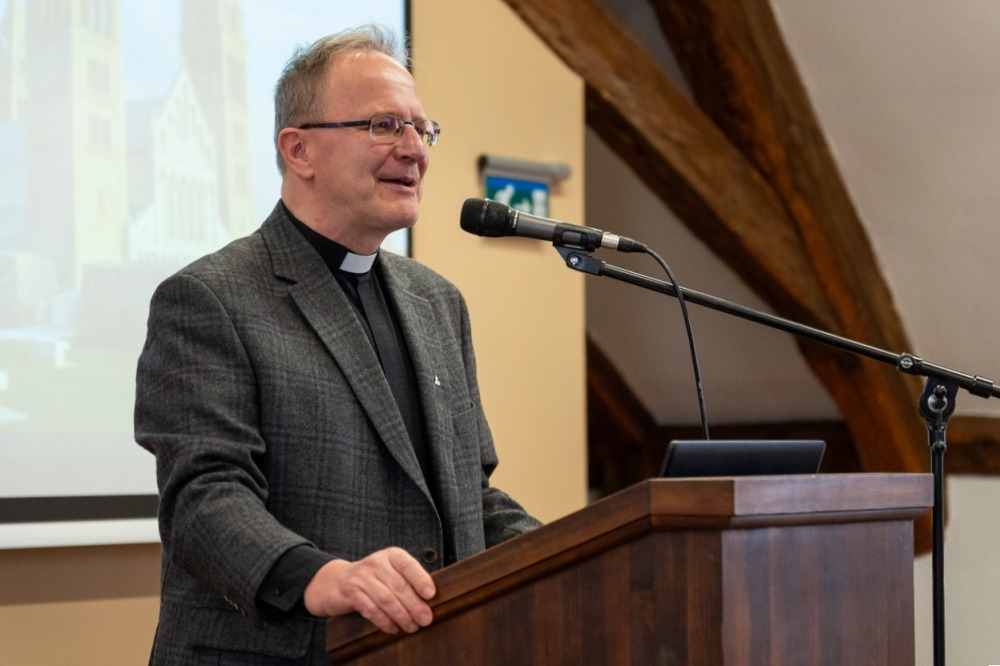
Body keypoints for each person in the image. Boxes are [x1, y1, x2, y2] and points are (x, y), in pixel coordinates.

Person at [134, 25, 540, 665]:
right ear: (299, 150)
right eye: (385, 125)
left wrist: (581, 551)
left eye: (422, 129)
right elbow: (203, 499)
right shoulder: (210, 298)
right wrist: (322, 577)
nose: (414, 149)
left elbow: (471, 496)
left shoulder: (439, 303)